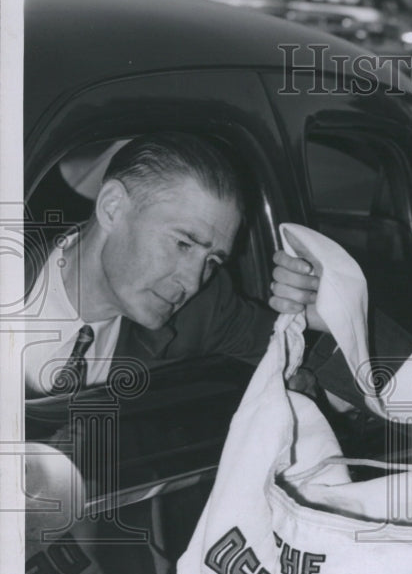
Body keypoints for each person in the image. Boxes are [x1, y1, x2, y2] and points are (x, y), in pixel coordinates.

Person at [25, 132, 276, 396]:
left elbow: (297, 349)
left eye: (212, 260)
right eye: (183, 244)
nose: (192, 282)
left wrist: (322, 303)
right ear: (112, 207)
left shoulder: (203, 310)